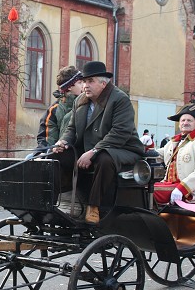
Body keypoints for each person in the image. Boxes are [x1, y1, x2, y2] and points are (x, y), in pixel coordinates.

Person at [55, 61, 144, 224]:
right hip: (91, 149)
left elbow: (120, 133)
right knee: (59, 156)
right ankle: (59, 200)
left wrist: (94, 151)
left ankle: (94, 207)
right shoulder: (80, 101)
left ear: (103, 83)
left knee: (104, 159)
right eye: (84, 81)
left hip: (123, 148)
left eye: (90, 81)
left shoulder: (119, 99)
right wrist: (63, 142)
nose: (85, 85)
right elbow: (72, 129)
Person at [154, 103, 195, 205]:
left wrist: (182, 188)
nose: (185, 123)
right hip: (168, 185)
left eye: (189, 120)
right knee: (139, 187)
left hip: (190, 191)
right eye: (183, 120)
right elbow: (155, 154)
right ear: (179, 124)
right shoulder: (173, 142)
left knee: (149, 192)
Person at [36, 66, 82, 148]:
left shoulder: (89, 104)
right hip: (60, 152)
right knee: (29, 157)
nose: (84, 85)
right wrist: (43, 153)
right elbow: (48, 140)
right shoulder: (54, 110)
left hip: (82, 153)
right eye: (80, 82)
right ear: (70, 87)